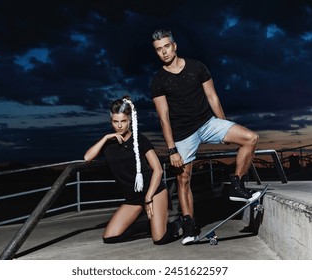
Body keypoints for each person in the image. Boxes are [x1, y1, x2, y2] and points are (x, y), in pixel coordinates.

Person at [150, 29, 260, 245]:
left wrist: (224, 125)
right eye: (158, 49)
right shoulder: (158, 80)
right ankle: (190, 226)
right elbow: (164, 118)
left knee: (251, 138)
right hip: (182, 133)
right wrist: (172, 150)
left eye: (166, 47)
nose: (163, 52)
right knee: (183, 179)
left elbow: (212, 97)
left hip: (208, 123)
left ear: (174, 46)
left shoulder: (197, 67)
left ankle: (236, 186)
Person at [84, 96, 180, 245]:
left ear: (130, 121)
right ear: (111, 121)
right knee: (109, 237)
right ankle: (150, 226)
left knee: (159, 239)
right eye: (115, 122)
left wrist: (148, 197)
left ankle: (177, 224)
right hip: (132, 199)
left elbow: (158, 170)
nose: (119, 126)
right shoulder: (108, 144)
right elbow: (87, 157)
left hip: (153, 192)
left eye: (123, 121)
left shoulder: (139, 140)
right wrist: (106, 138)